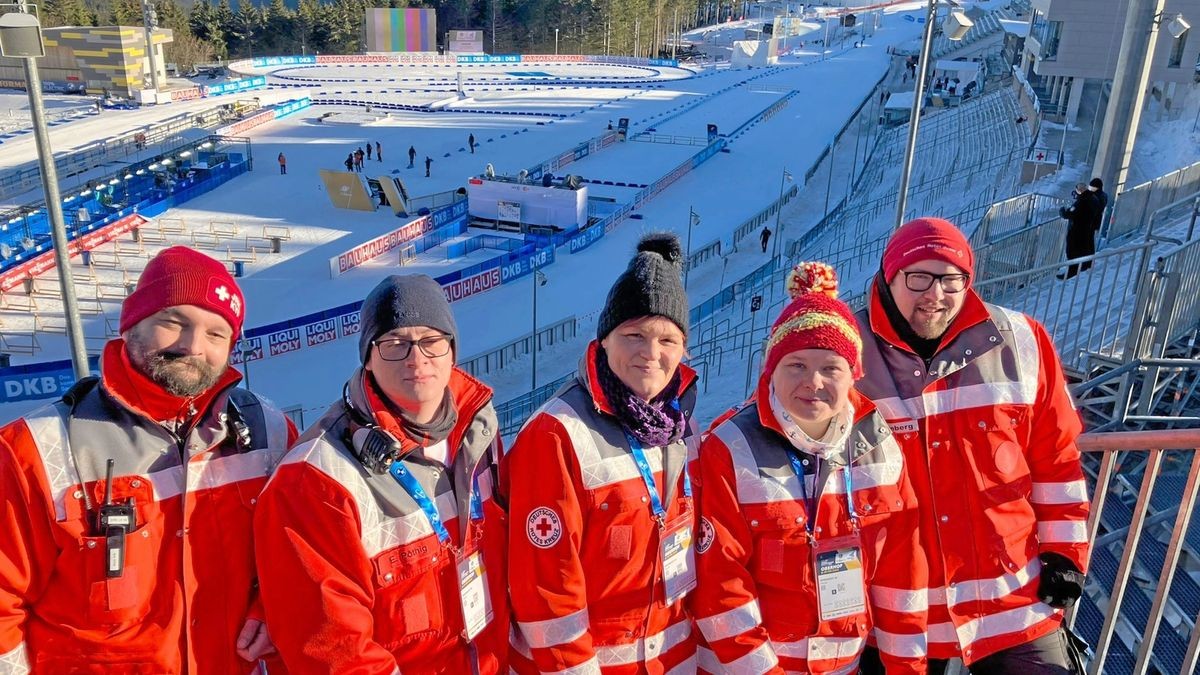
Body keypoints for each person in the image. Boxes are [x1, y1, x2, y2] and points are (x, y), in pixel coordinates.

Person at [0, 246, 297, 672]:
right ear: (131, 324)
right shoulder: (36, 449)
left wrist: (271, 604)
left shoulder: (267, 431)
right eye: (173, 323)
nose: (194, 346)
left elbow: (302, 554)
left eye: (217, 334)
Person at [855, 218, 1089, 675]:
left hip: (1011, 598)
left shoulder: (1023, 341)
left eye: (951, 279)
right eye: (917, 277)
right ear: (888, 276)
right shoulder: (845, 351)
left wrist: (1065, 552)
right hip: (897, 613)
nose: (935, 295)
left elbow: (1056, 458)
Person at [255, 275, 509, 673]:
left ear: (452, 351)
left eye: (431, 340)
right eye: (394, 344)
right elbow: (336, 652)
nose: (416, 358)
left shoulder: (478, 434)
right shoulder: (315, 481)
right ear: (368, 358)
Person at [693, 262, 927, 674]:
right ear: (771, 369)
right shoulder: (730, 447)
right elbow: (720, 582)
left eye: (831, 368)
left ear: (853, 374)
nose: (813, 382)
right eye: (796, 365)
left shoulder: (880, 445)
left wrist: (906, 667)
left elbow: (901, 569)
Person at [503, 233, 700, 673]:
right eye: (634, 335)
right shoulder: (556, 435)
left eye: (667, 340)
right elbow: (546, 587)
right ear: (604, 340)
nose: (651, 354)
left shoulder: (684, 426)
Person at [1059, 183, 1100, 278]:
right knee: (1086, 249)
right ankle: (1086, 266)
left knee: (1072, 251)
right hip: (1088, 229)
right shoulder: (1094, 198)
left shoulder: (1081, 201)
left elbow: (1068, 214)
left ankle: (1072, 271)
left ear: (1079, 191)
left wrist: (1062, 211)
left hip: (1076, 230)